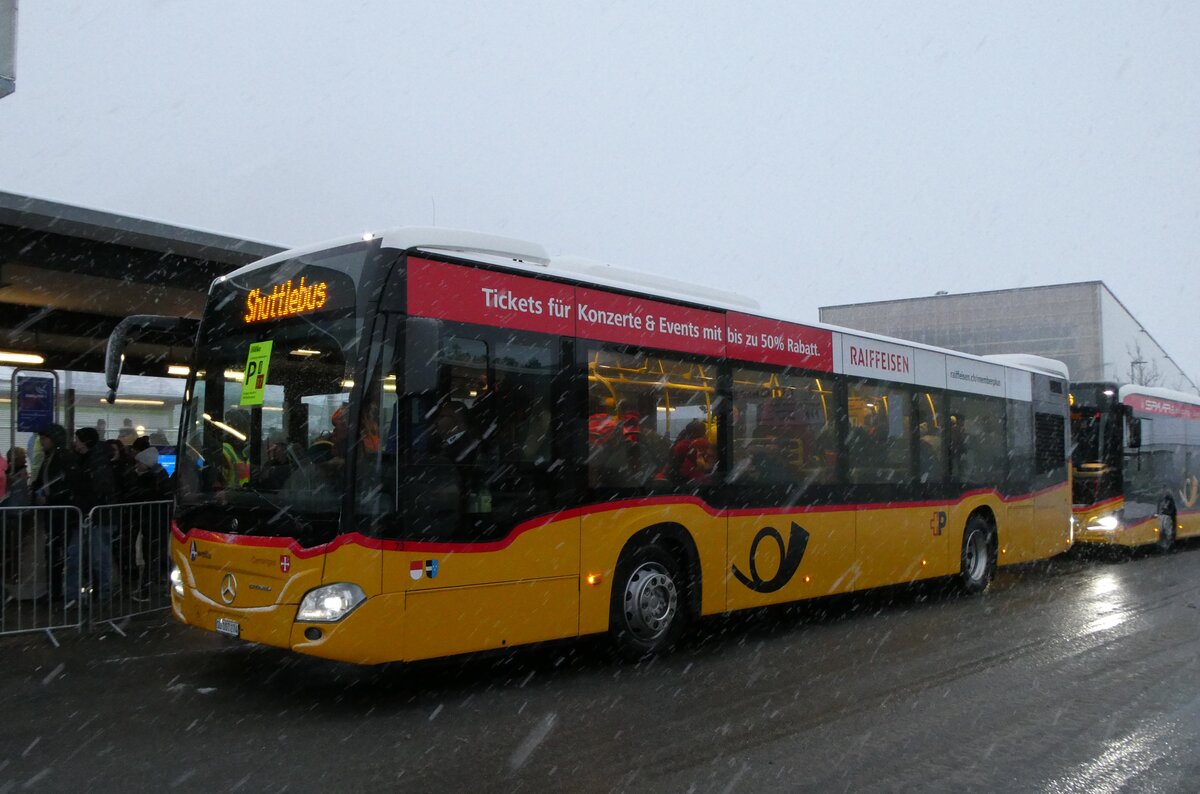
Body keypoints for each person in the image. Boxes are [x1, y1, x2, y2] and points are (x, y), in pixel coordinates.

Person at [65, 427, 117, 605]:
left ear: (85, 442)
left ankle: (100, 593)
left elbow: (99, 488)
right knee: (81, 556)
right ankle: (83, 594)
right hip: (87, 515)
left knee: (96, 557)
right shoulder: (88, 460)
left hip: (94, 516)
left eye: (77, 439)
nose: (75, 442)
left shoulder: (96, 462)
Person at [667, 420, 716, 485]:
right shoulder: (700, 444)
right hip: (690, 480)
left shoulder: (680, 444)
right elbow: (705, 466)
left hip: (677, 479)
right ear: (703, 433)